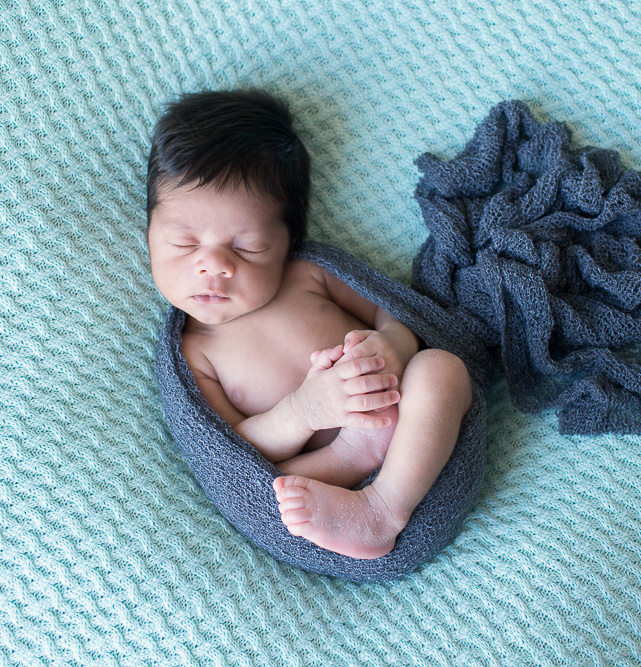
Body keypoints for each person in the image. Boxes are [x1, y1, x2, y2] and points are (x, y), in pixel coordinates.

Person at [146, 89, 472, 560]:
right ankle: (363, 482)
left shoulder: (307, 276)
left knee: (442, 369)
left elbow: (396, 312)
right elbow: (233, 449)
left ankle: (383, 509)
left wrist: (393, 346)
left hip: (410, 428)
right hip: (327, 481)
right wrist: (305, 413)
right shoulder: (195, 353)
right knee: (279, 486)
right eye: (183, 242)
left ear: (287, 242)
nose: (213, 265)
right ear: (150, 232)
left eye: (247, 247)